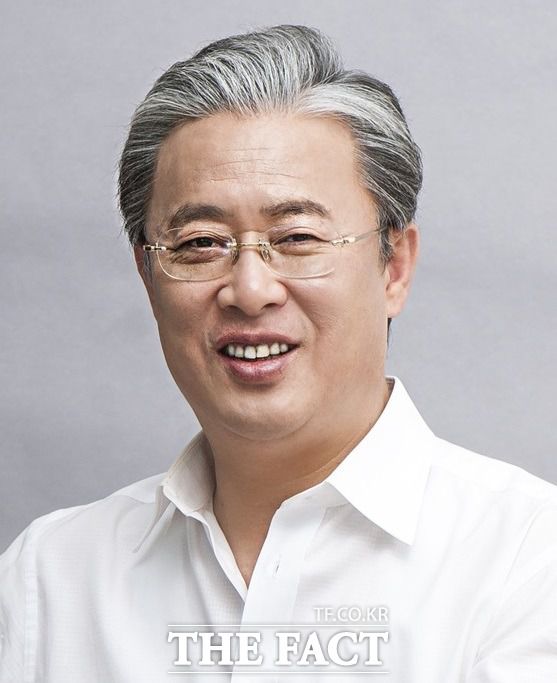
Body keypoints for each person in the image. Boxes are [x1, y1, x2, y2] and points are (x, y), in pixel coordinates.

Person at [1, 24, 556, 682]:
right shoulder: (49, 580)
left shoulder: (526, 561)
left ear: (394, 267)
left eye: (296, 237)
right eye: (200, 243)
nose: (249, 289)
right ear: (148, 277)